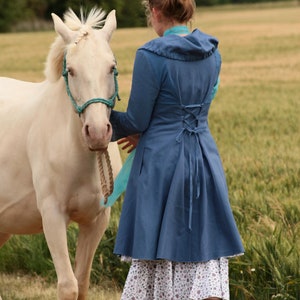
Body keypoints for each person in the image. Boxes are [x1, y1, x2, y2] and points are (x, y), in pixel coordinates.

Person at [110, 0, 244, 299]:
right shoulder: (212, 52)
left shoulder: (150, 55)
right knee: (202, 241)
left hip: (162, 164)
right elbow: (201, 103)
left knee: (162, 245)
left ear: (156, 12)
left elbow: (137, 119)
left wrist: (98, 118)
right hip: (204, 158)